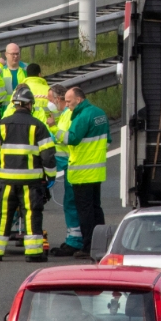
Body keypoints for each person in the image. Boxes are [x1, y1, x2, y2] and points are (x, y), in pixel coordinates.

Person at [0, 85, 57, 263]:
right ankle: (33, 253)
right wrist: (50, 176)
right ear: (30, 105)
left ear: (15, 105)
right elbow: (48, 155)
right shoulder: (38, 126)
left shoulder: (1, 125)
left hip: (6, 181)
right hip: (31, 182)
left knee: (3, 215)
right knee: (31, 214)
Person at [65, 86, 110, 258]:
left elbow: (72, 138)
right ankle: (103, 243)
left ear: (79, 99)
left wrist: (54, 131)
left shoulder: (82, 116)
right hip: (97, 171)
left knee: (85, 211)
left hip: (82, 172)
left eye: (69, 102)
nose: (68, 105)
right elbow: (108, 140)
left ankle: (89, 246)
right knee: (96, 208)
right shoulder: (99, 113)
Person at [47, 84, 84, 257]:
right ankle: (73, 238)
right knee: (71, 203)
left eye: (50, 100)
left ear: (58, 99)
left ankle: (75, 241)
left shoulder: (68, 114)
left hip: (71, 163)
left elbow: (66, 138)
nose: (50, 103)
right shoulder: (64, 114)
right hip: (67, 163)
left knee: (71, 203)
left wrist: (52, 129)